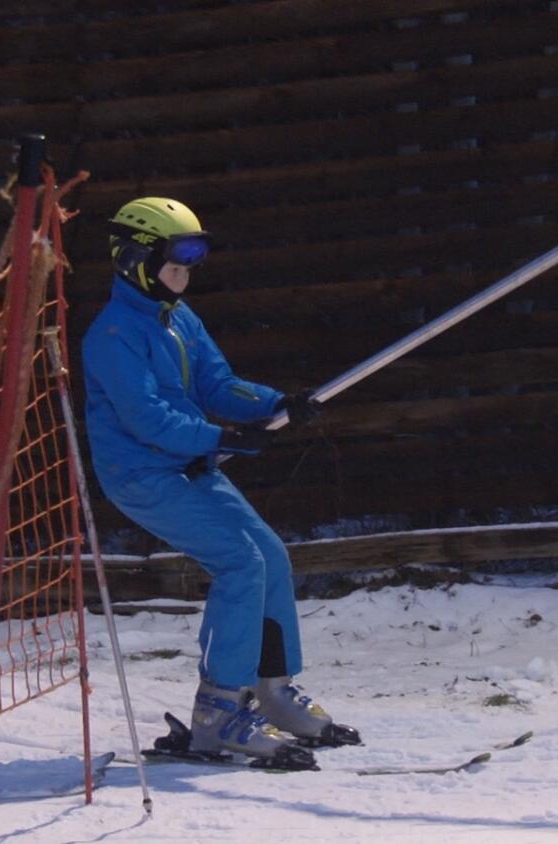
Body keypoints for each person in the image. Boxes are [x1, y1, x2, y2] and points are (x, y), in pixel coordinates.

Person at [82, 197, 359, 766]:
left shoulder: (178, 318)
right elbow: (148, 418)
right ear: (135, 260)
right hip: (143, 476)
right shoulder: (112, 335)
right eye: (175, 265)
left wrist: (277, 402)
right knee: (239, 563)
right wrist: (221, 438)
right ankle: (218, 713)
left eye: (190, 266)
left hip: (189, 466)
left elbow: (217, 383)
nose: (185, 277)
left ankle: (273, 691)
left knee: (270, 556)